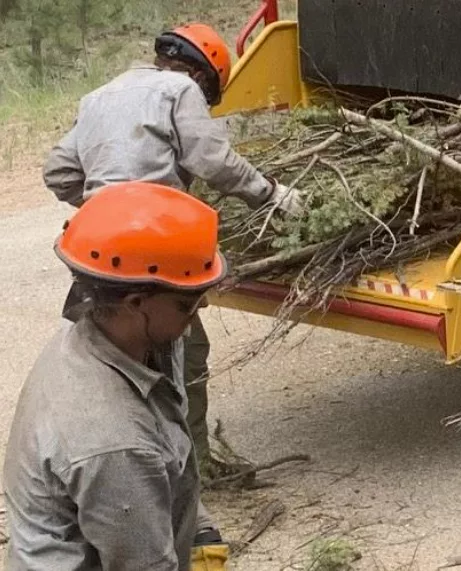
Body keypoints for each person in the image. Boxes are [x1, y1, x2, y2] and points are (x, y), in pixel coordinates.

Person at [40, 22, 302, 481]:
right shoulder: (180, 89)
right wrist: (272, 195)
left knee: (106, 351)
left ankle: (103, 462)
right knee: (180, 352)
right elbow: (213, 161)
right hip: (151, 247)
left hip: (99, 250)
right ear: (203, 76)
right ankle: (185, 472)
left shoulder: (98, 96)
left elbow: (59, 172)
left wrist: (105, 204)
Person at [6, 182, 232, 570]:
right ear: (135, 303)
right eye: (188, 302)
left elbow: (167, 448)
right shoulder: (113, 439)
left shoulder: (119, 340)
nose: (202, 306)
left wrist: (200, 531)